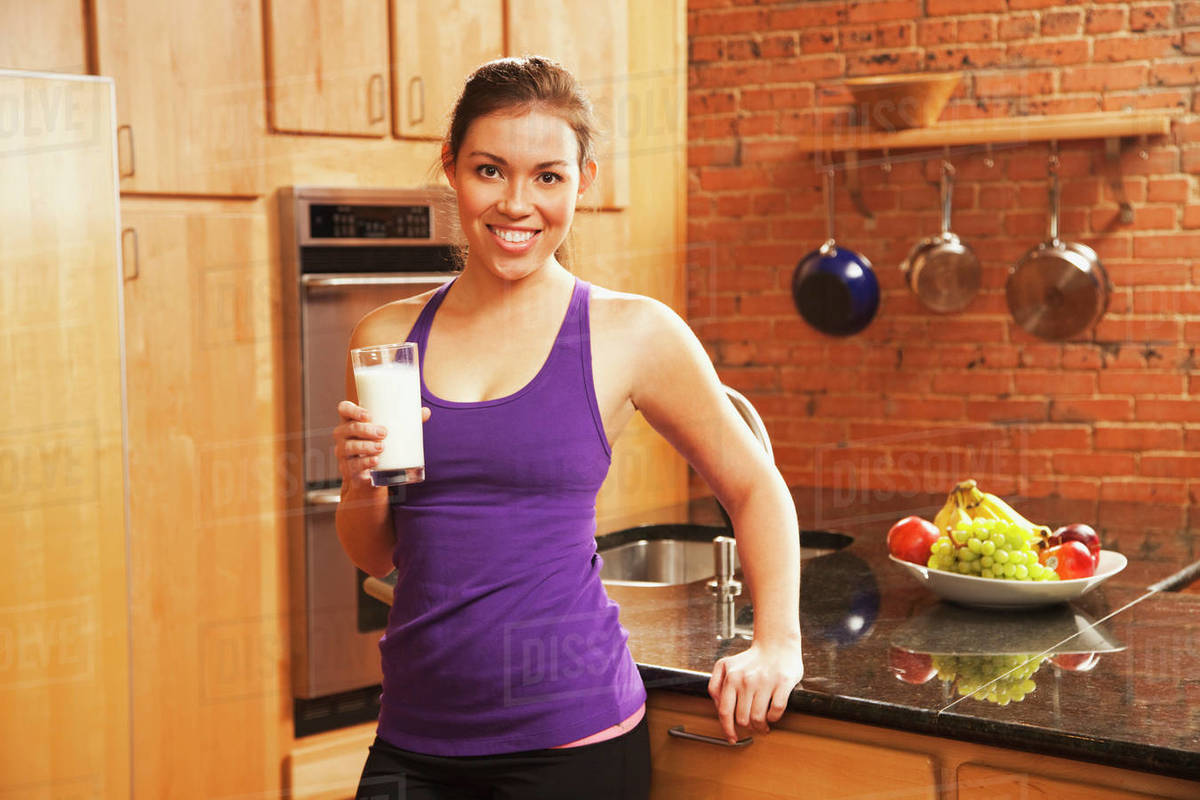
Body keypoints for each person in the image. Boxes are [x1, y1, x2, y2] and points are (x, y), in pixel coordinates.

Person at [333, 56, 803, 800]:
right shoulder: (390, 334)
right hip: (413, 741)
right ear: (453, 169)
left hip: (569, 742)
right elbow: (375, 552)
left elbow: (753, 486)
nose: (517, 203)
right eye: (491, 170)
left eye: (547, 177)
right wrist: (360, 482)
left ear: (582, 181)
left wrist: (776, 643)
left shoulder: (632, 333)